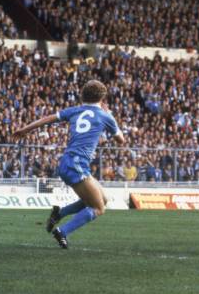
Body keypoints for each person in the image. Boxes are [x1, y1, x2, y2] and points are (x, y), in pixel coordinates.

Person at [13, 79, 125, 249]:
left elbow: (48, 119)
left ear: (82, 95)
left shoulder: (74, 111)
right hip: (77, 164)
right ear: (102, 99)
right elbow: (121, 140)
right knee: (98, 208)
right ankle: (62, 231)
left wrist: (25, 129)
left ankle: (60, 213)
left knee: (103, 199)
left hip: (69, 162)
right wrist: (110, 115)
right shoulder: (105, 116)